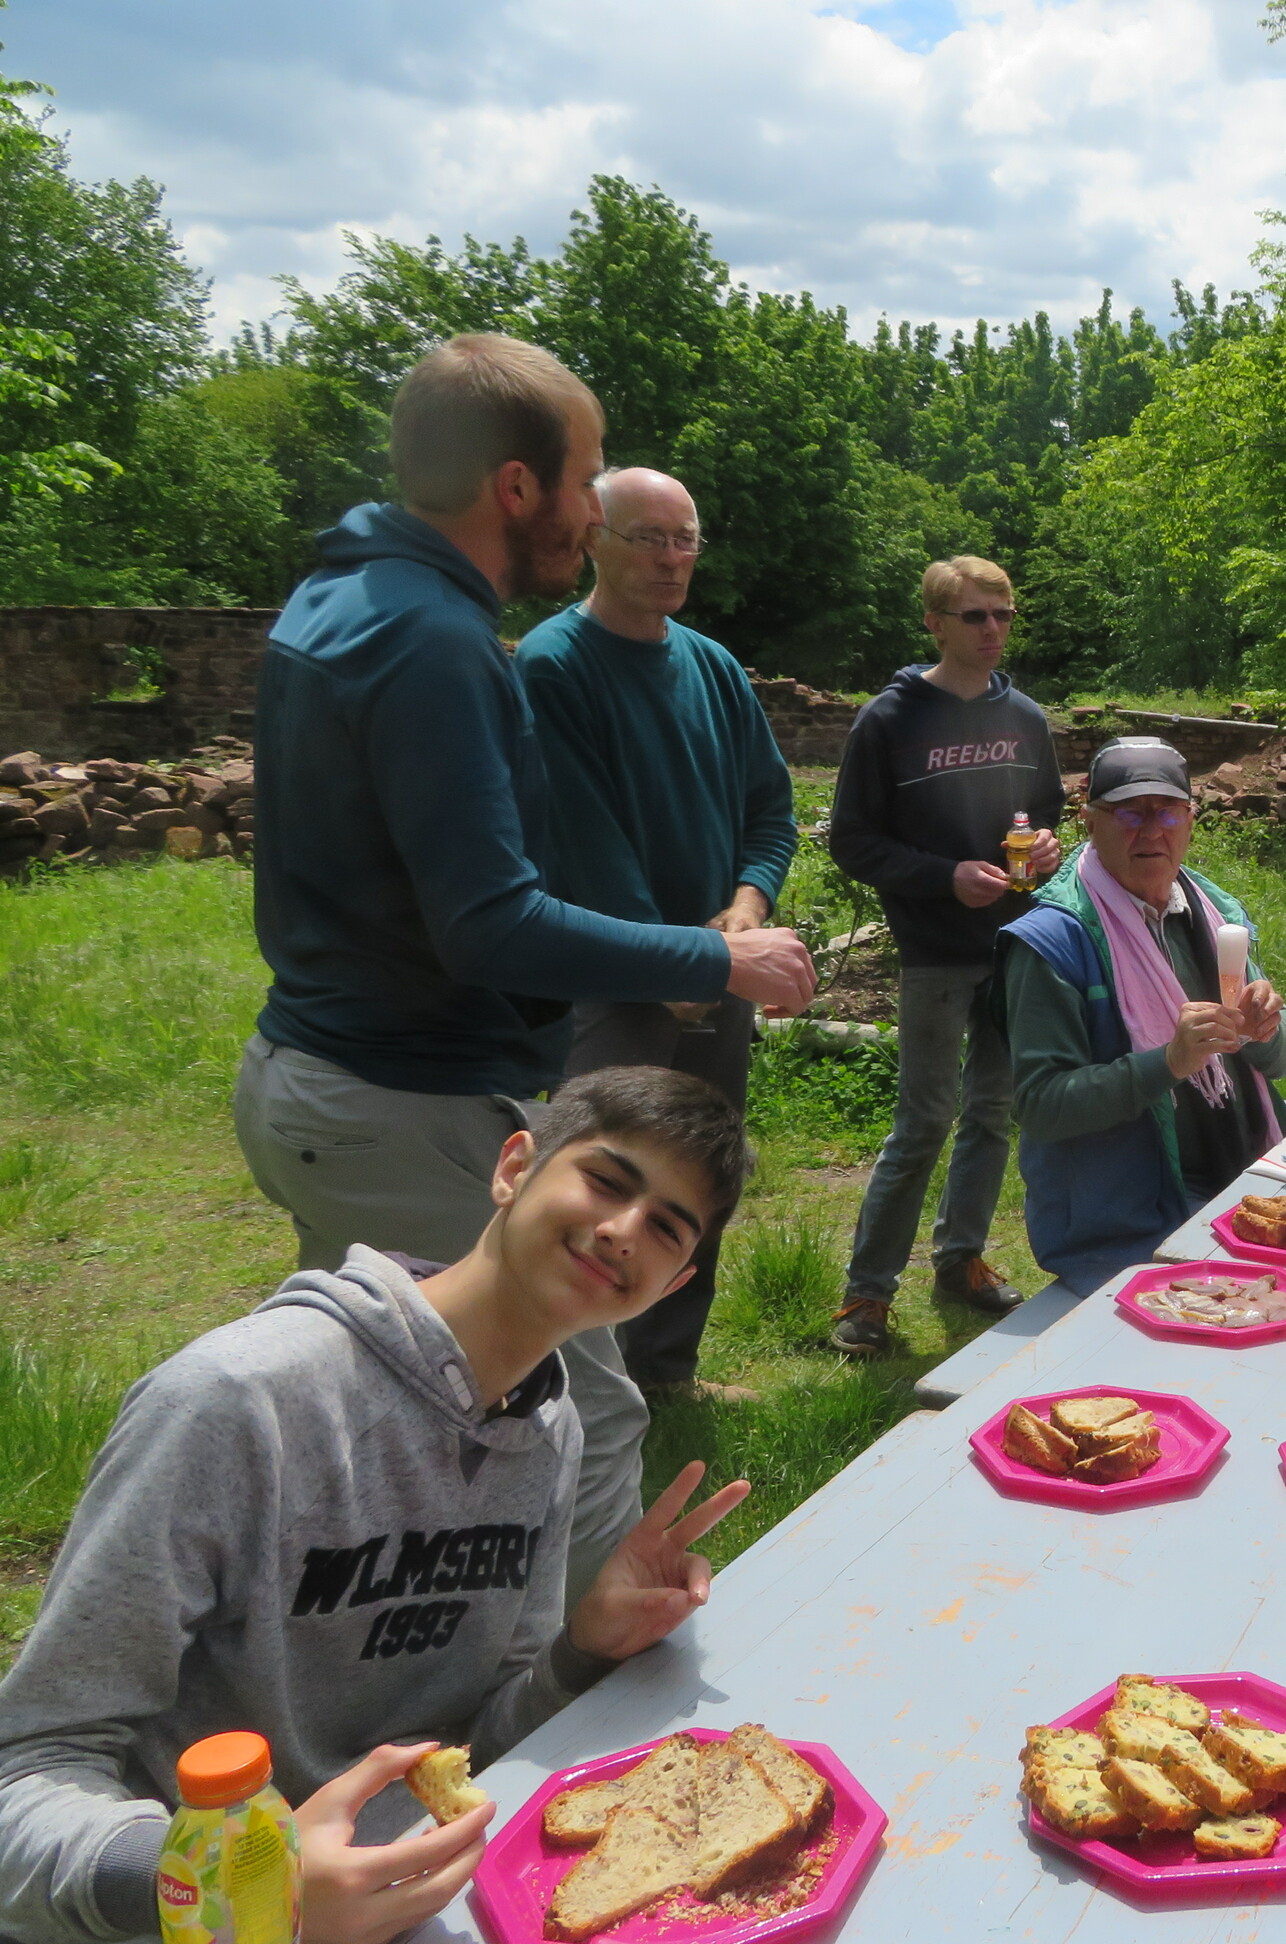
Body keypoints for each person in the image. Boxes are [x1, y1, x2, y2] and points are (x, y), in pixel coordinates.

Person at [229, 334, 815, 1593]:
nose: (594, 509)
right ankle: (595, 1680)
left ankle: (349, 1631)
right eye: (586, 479)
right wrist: (716, 960)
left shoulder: (347, 595)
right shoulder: (435, 642)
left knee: (366, 1390)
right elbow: (490, 922)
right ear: (515, 487)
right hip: (396, 1101)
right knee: (581, 1397)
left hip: (319, 1077)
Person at [0, 1070, 753, 1944]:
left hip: (417, 1895)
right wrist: (238, 1889)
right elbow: (28, 1771)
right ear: (514, 1168)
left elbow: (476, 1742)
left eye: (664, 1228)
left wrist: (583, 1649)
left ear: (672, 1284)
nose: (622, 1230)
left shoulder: (551, 1430)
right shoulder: (237, 1402)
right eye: (606, 1181)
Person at [519, 467, 798, 1402]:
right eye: (649, 537)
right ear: (594, 538)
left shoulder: (713, 667)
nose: (672, 558)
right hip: (611, 981)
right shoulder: (555, 666)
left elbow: (770, 811)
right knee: (598, 1188)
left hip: (720, 970)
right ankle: (571, 1390)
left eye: (686, 540)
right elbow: (582, 845)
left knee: (696, 1182)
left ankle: (666, 1373)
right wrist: (686, 961)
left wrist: (747, 908)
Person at [824, 556, 1068, 1356]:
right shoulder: (889, 720)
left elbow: (1045, 813)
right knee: (924, 1120)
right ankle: (867, 1293)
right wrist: (943, 877)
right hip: (932, 948)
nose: (993, 629)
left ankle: (960, 1259)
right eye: (974, 616)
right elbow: (853, 841)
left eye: (1003, 614)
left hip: (1015, 943)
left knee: (992, 1113)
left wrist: (1047, 848)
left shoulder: (1025, 718)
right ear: (934, 623)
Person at [997, 739, 1286, 1294]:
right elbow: (1041, 1106)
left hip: (1244, 1181)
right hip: (1129, 1223)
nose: (1151, 831)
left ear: (1190, 821)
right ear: (1089, 821)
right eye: (1129, 814)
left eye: (1167, 813)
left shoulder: (1214, 913)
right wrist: (1169, 1062)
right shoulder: (1053, 942)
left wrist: (1266, 1029)